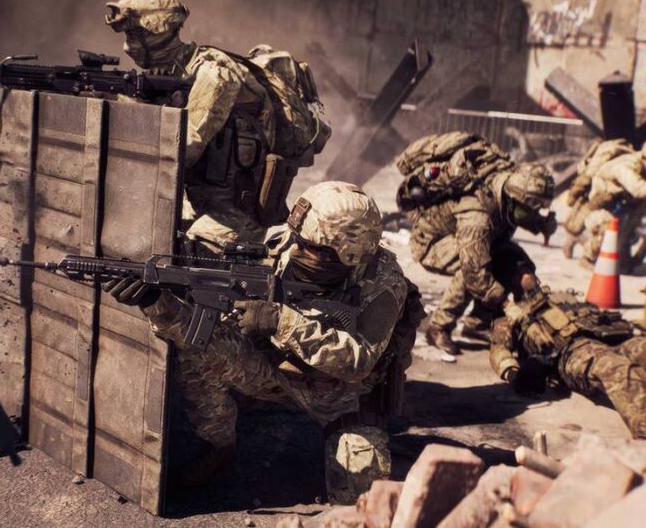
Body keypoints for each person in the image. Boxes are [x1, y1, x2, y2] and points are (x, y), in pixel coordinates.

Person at [109, 182, 423, 502]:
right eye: (297, 238)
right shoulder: (284, 243)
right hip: (274, 370)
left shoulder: (383, 281)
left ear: (349, 254)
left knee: (362, 490)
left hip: (343, 398)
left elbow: (358, 361)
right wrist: (155, 301)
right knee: (199, 350)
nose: (294, 249)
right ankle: (218, 443)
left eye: (309, 246)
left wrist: (279, 320)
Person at [104, 0, 330, 252]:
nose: (128, 46)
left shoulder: (215, 74)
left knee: (178, 259)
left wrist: (124, 121)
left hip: (235, 215)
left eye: (134, 34)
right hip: (196, 204)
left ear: (157, 30)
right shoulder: (172, 72)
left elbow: (185, 149)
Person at [490, 274, 646, 445]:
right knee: (618, 369)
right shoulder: (509, 318)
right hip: (571, 352)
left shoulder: (562, 296)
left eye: (527, 269)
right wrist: (513, 373)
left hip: (616, 338)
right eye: (519, 271)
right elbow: (499, 350)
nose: (527, 275)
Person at [406, 155, 556, 357]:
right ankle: (438, 327)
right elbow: (473, 269)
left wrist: (542, 224)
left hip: (475, 240)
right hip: (432, 243)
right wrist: (506, 304)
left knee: (514, 259)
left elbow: (524, 216)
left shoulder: (507, 197)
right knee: (472, 270)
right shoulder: (478, 216)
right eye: (532, 207)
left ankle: (477, 323)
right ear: (515, 198)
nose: (534, 212)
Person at [567, 135, 646, 269]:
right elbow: (638, 189)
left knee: (629, 239)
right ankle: (588, 258)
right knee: (608, 231)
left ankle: (584, 241)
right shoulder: (626, 165)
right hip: (603, 205)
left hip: (624, 205)